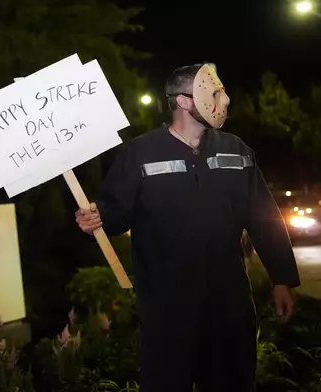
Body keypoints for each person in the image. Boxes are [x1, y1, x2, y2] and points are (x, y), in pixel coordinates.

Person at [75, 63, 300, 392]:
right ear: (182, 101)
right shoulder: (139, 153)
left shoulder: (236, 149)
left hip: (229, 306)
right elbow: (115, 211)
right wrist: (98, 217)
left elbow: (264, 217)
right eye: (213, 93)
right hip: (167, 309)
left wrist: (282, 278)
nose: (223, 100)